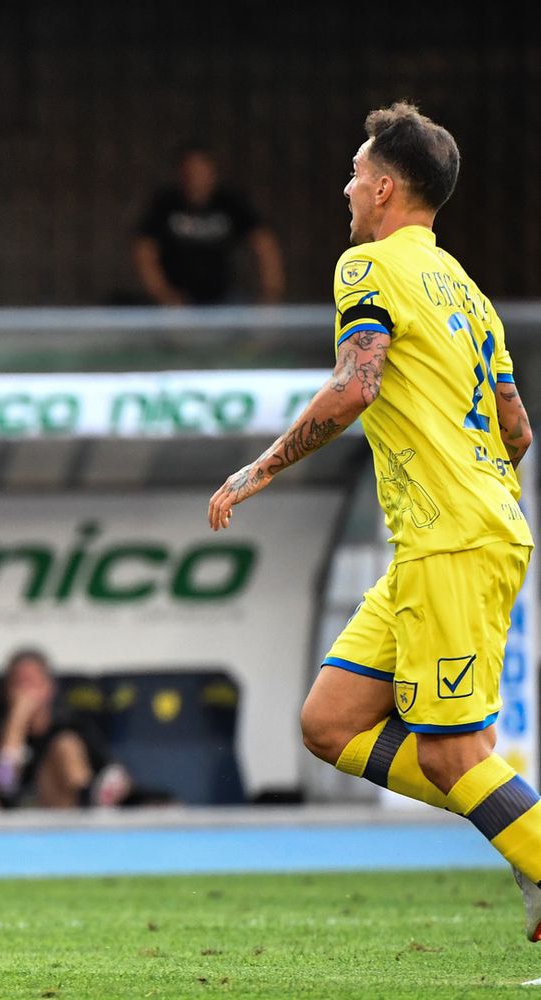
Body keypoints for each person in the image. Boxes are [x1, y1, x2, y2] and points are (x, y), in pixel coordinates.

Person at [207, 103, 541, 940]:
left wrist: (261, 468)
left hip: (451, 538)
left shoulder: (368, 267)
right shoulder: (468, 292)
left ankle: (532, 846)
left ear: (385, 188)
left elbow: (357, 386)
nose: (346, 186)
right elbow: (517, 429)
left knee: (451, 755)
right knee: (329, 723)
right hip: (457, 532)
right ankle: (518, 831)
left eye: (356, 172)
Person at [134, 144, 284, 305]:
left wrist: (271, 293)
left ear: (212, 173)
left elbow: (264, 242)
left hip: (224, 297)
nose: (195, 177)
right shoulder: (165, 204)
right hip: (180, 300)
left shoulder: (229, 202)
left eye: (201, 171)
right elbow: (144, 250)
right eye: (189, 172)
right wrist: (163, 294)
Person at [0, 648, 130, 809]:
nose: (25, 692)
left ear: (48, 688)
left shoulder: (71, 724)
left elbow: (112, 773)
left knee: (66, 745)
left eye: (31, 682)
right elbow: (3, 783)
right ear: (7, 690)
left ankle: (86, 816)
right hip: (13, 817)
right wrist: (16, 723)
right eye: (18, 684)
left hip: (66, 813)